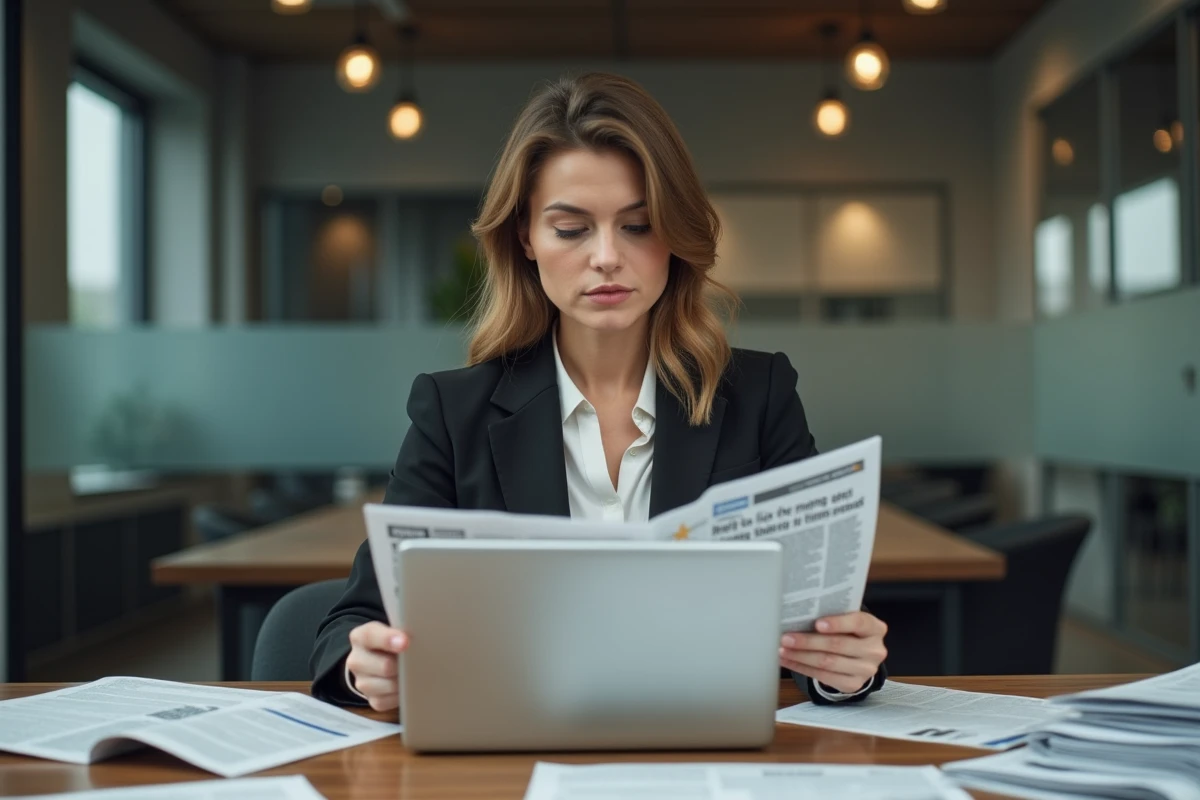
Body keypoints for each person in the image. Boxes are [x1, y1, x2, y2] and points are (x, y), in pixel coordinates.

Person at [311, 72, 888, 711]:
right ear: (526, 237)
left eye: (638, 226)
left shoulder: (759, 392)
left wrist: (845, 668)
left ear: (675, 236)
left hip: (705, 743)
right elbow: (352, 623)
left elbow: (824, 621)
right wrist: (366, 666)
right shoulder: (453, 411)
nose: (607, 256)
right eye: (571, 228)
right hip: (511, 745)